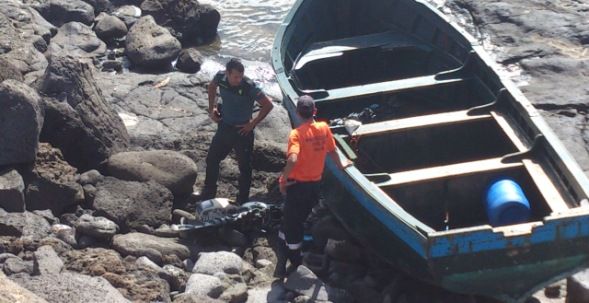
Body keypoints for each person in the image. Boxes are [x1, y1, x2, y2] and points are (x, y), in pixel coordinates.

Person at [277, 95, 352, 273]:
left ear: (297, 112)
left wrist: (283, 179)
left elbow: (293, 158)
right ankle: (285, 241)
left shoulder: (296, 134)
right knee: (300, 217)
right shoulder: (324, 128)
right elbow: (332, 150)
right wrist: (342, 165)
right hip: (315, 185)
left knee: (293, 222)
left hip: (297, 185)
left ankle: (294, 259)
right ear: (315, 112)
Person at [201, 58, 274, 204]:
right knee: (212, 159)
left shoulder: (249, 86)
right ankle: (209, 193)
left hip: (243, 132)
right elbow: (211, 87)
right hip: (224, 126)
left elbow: (268, 105)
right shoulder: (220, 77)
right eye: (235, 77)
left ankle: (242, 199)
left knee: (245, 167)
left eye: (241, 76)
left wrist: (252, 123)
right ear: (227, 73)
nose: (239, 80)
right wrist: (212, 108)